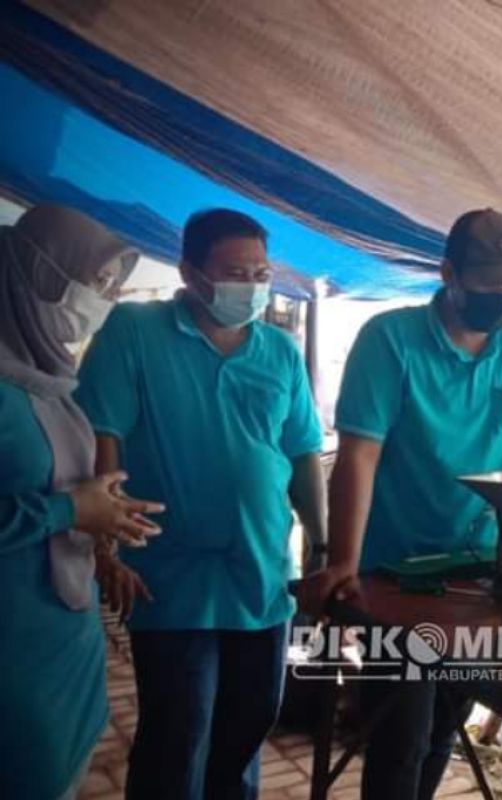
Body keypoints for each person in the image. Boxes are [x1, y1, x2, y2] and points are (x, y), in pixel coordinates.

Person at [299, 209, 502, 800]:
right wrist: (343, 559)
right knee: (398, 735)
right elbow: (359, 456)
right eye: (488, 283)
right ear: (448, 273)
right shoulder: (390, 339)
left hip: (480, 573)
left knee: (446, 726)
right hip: (395, 573)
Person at [75, 209, 327, 800]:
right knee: (178, 731)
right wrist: (104, 548)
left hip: (261, 570)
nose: (252, 284)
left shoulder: (280, 352)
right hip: (170, 573)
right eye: (236, 271)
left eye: (261, 271)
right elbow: (103, 436)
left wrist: (322, 539)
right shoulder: (134, 331)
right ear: (190, 273)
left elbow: (303, 451)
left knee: (248, 725)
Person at [0, 205, 163, 799]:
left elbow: (60, 488)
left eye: (109, 286)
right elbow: (56, 503)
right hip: (13, 657)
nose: (103, 299)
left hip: (66, 640)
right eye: (92, 283)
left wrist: (102, 533)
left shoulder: (51, 379)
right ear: (37, 276)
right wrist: (71, 512)